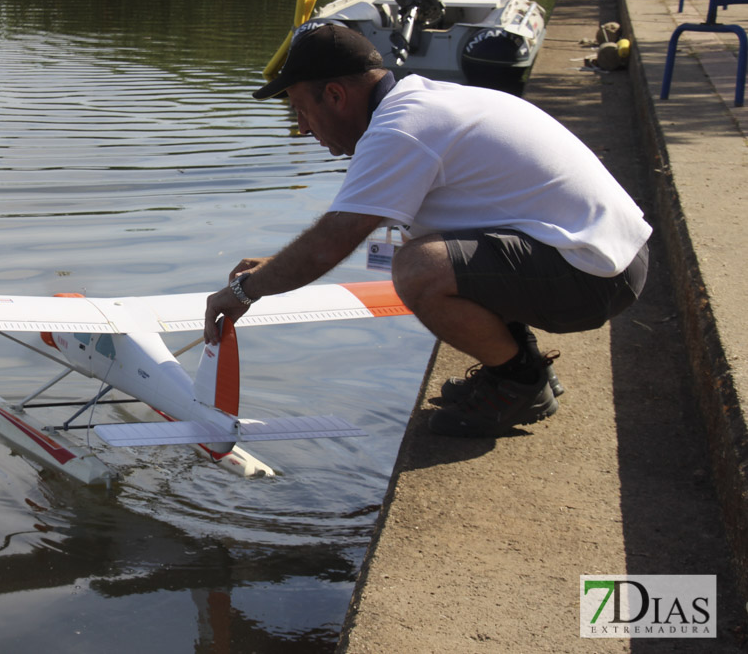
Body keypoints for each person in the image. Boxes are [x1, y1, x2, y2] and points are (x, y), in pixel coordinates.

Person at [202, 23, 651, 438]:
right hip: (600, 254)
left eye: (301, 110)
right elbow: (361, 237)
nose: (301, 128)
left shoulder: (401, 129)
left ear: (336, 96)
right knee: (421, 252)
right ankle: (519, 364)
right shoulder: (417, 103)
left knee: (418, 268)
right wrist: (278, 268)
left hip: (595, 275)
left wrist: (245, 292)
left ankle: (520, 383)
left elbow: (328, 247)